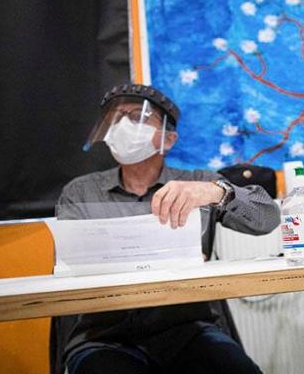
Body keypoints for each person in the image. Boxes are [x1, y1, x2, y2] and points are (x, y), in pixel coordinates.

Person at [56, 83, 280, 374]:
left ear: (169, 139)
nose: (124, 125)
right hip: (104, 336)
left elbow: (268, 218)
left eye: (138, 117)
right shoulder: (81, 193)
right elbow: (73, 267)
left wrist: (216, 193)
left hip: (187, 329)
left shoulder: (198, 182)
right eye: (117, 117)